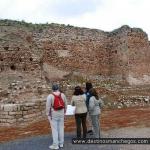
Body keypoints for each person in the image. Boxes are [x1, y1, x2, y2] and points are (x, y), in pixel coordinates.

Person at [46, 84, 67, 149]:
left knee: (54, 129)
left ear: (52, 89)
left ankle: (55, 145)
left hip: (54, 113)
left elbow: (48, 106)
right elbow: (65, 104)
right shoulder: (63, 95)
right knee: (61, 128)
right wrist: (65, 111)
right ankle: (61, 143)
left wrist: (47, 114)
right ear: (58, 88)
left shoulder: (50, 96)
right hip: (61, 113)